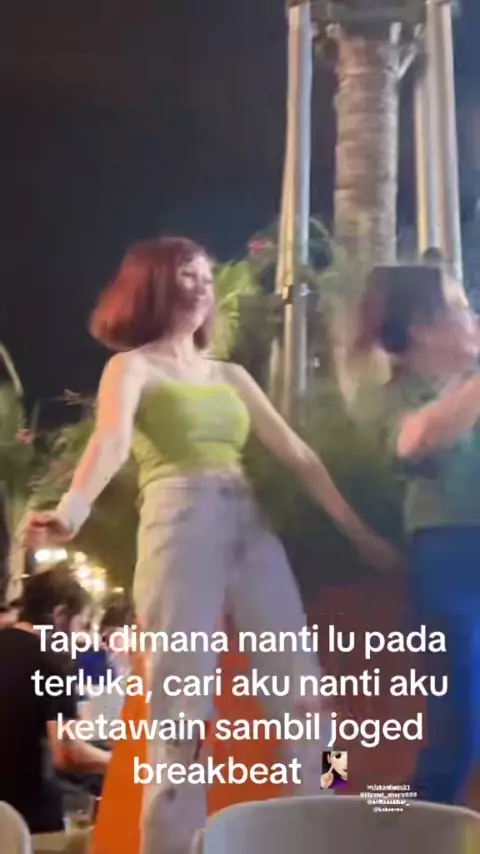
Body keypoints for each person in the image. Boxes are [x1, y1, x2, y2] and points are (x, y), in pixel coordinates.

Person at [22, 236, 399, 853]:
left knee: (304, 692)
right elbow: (111, 440)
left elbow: (300, 456)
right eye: (186, 276)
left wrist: (359, 533)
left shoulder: (230, 375)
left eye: (204, 276)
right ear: (153, 287)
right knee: (180, 703)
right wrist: (72, 510)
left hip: (248, 520)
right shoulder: (133, 367)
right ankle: (170, 843)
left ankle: (325, 816)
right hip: (179, 518)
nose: (202, 288)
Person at [353, 263, 480, 805]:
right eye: (459, 307)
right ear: (422, 327)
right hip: (450, 553)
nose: (472, 317)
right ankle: (388, 822)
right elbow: (417, 439)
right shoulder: (394, 395)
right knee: (458, 724)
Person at [0, 566, 110, 833]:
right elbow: (68, 754)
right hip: (24, 819)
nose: (80, 638)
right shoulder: (52, 661)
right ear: (60, 615)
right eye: (80, 625)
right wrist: (125, 762)